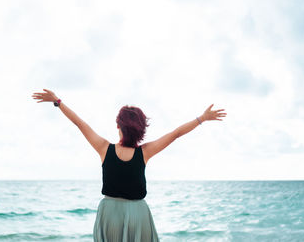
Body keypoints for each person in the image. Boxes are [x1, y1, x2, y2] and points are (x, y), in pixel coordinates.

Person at [32, 89, 226, 242]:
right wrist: (202, 118)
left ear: (118, 126)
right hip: (138, 215)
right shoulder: (145, 152)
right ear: (141, 130)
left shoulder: (103, 148)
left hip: (109, 214)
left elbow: (79, 123)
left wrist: (57, 101)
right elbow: (175, 134)